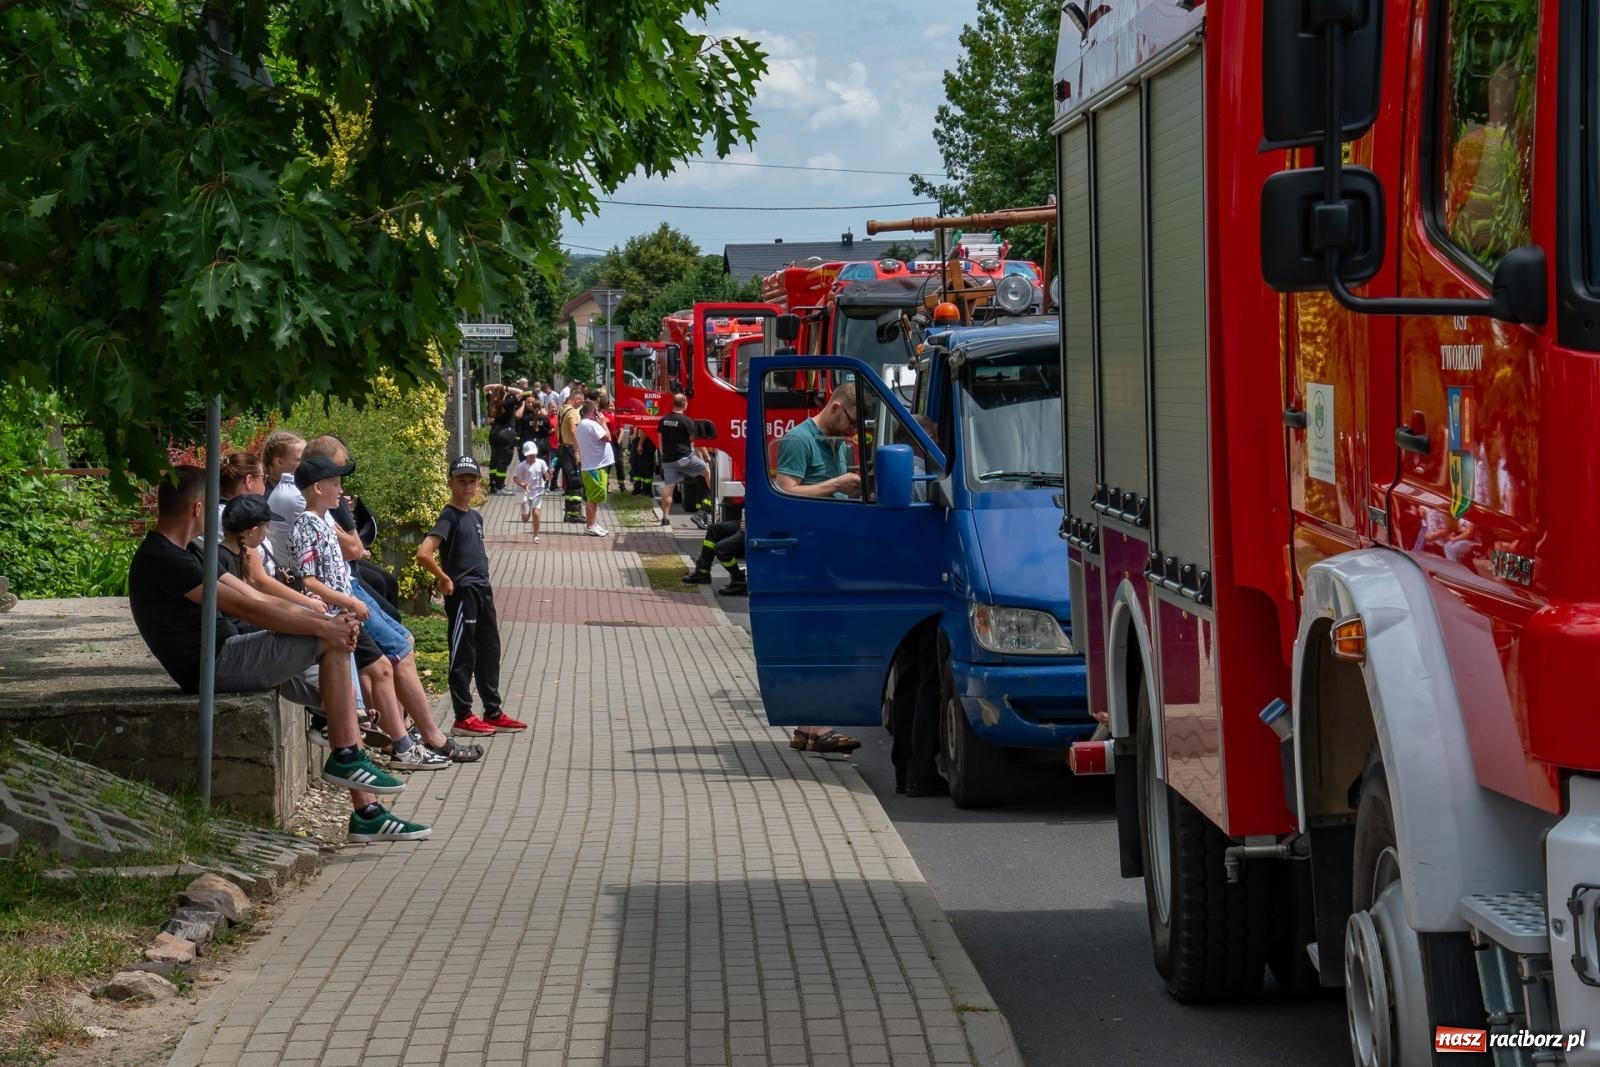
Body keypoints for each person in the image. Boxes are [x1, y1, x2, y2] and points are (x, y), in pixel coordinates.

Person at [128, 467, 429, 842]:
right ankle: (347, 756)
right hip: (214, 665)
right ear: (197, 509)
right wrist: (323, 627)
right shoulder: (162, 559)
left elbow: (255, 595)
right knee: (330, 641)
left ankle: (366, 811)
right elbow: (245, 608)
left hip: (231, 655)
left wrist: (317, 615)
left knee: (341, 701)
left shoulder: (186, 550)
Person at [774, 381, 863, 754]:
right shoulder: (800, 440)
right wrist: (837, 484)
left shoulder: (834, 442)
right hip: (808, 554)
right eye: (853, 422)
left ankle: (808, 727)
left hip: (828, 551)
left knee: (823, 640)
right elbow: (785, 490)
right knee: (821, 640)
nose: (853, 432)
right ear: (837, 407)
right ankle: (818, 724)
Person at [416, 456, 527, 737]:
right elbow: (424, 553)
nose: (467, 486)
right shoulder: (449, 516)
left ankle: (493, 710)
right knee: (463, 653)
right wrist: (443, 578)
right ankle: (462, 716)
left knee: (489, 651)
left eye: (472, 481)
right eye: (461, 481)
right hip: (463, 592)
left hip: (482, 590)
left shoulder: (475, 516)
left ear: (479, 484)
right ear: (450, 482)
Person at [656, 394, 712, 527]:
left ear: (673, 403)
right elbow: (696, 442)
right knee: (707, 470)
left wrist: (665, 456)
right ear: (685, 404)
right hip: (685, 459)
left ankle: (665, 518)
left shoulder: (663, 420)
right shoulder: (687, 421)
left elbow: (660, 441)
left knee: (669, 487)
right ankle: (712, 498)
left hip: (668, 460)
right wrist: (706, 456)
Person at [681, 513, 746, 597]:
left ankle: (739, 581)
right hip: (747, 525)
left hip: (758, 529)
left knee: (721, 549)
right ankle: (702, 572)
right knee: (713, 529)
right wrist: (743, 520)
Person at [576, 399, 614, 537]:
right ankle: (590, 525)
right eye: (598, 411)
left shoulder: (584, 424)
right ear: (593, 412)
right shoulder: (592, 424)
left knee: (595, 497)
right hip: (595, 467)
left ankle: (593, 523)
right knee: (593, 498)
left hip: (595, 465)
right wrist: (603, 423)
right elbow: (608, 437)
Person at [510, 440, 548, 543]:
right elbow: (515, 478)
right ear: (526, 455)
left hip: (538, 490)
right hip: (525, 492)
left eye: (533, 454)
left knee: (536, 512)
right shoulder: (521, 466)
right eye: (529, 455)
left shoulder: (541, 462)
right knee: (525, 519)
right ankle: (526, 512)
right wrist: (523, 485)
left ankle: (536, 535)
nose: (532, 457)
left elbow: (547, 475)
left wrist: (549, 475)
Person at [557, 391, 585, 522]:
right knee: (576, 480)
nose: (582, 404)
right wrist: (578, 452)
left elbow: (558, 430)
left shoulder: (562, 410)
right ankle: (575, 513)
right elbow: (574, 432)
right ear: (576, 399)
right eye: (581, 401)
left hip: (562, 447)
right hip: (570, 449)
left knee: (569, 482)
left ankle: (568, 512)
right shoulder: (573, 412)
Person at [488, 396, 519, 495]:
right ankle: (500, 486)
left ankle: (493, 485)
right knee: (503, 461)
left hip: (494, 432)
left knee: (494, 460)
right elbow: (521, 393)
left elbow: (485, 389)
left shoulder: (492, 400)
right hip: (506, 433)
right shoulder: (508, 403)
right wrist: (506, 388)